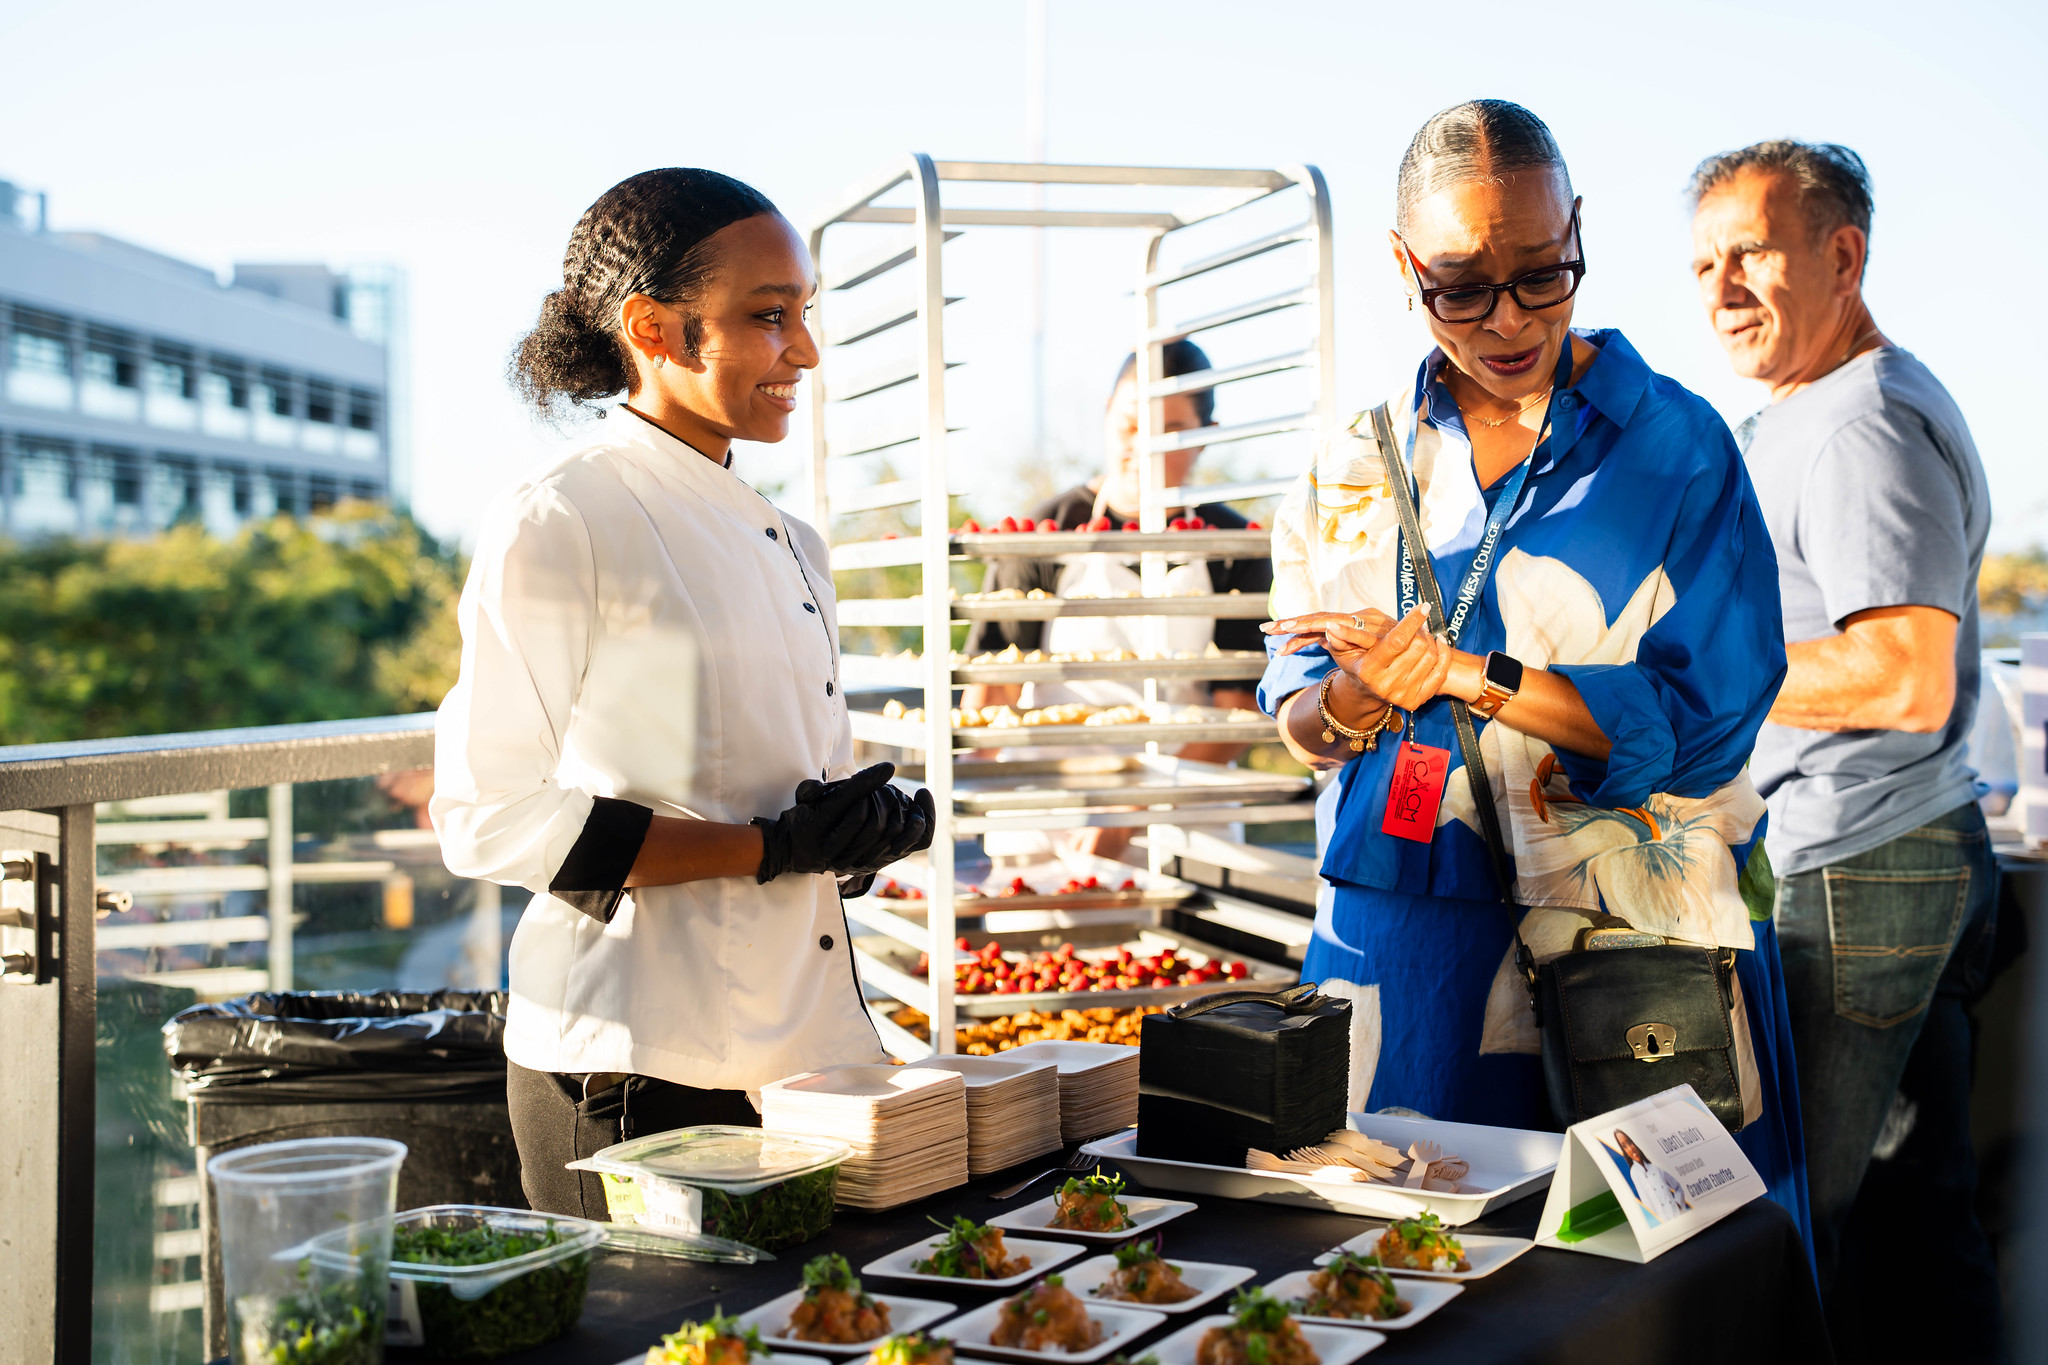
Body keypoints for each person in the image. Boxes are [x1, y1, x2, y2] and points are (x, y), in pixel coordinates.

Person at [1258, 100, 1811, 1251]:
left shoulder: (1676, 446)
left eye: (1540, 275)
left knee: (1650, 1277)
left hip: (1629, 947)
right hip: (1403, 947)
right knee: (1403, 1261)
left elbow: (1709, 726)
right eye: (1460, 286)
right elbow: (1299, 719)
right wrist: (1357, 700)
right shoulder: (1348, 464)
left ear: (1576, 235)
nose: (1508, 319)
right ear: (1403, 265)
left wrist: (1473, 675)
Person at [431, 168, 934, 1217]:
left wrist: (847, 842)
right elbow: (492, 819)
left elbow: (742, 779)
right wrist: (767, 849)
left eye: (804, 315)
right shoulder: (563, 520)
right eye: (767, 317)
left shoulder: (791, 543)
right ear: (653, 329)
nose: (803, 350)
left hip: (791, 1067)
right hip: (628, 1074)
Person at [1690, 140, 2000, 1349]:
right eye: (1702, 262)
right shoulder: (1809, 409)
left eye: (1749, 254)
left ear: (1842, 255)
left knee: (1807, 1227)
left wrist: (1694, 686)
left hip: (1866, 868)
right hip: (1889, 855)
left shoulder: (1858, 424)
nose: (1719, 287)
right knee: (1911, 1229)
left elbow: (1903, 675)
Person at [960, 341, 1273, 858]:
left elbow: (1238, 711)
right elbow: (993, 696)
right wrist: (948, 802)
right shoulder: (1044, 532)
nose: (1144, 444)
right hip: (1048, 817)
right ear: (1106, 416)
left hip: (1187, 820)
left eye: (1172, 430)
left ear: (1206, 438)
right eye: (1131, 424)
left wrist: (1135, 811)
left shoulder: (1232, 543)